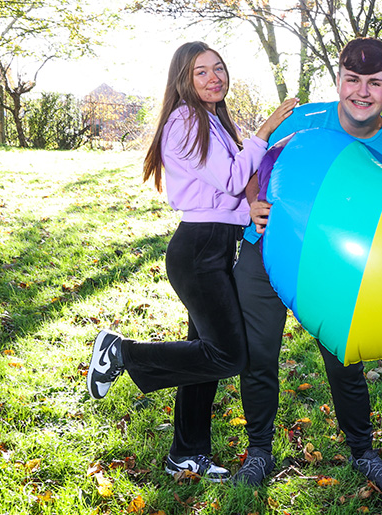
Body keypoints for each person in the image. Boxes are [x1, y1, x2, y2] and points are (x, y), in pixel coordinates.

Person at [84, 41, 297, 482]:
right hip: (198, 252)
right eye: (201, 72)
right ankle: (121, 353)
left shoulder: (213, 120)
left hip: (216, 244)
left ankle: (186, 452)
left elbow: (224, 197)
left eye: (218, 68)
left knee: (202, 357)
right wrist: (265, 130)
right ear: (183, 78)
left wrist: (250, 213)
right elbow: (235, 177)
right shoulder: (184, 121)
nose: (213, 77)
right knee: (227, 355)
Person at [230, 37, 382, 496]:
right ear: (338, 81)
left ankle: (363, 452)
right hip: (264, 251)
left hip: (332, 266)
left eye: (375, 83)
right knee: (258, 355)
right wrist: (252, 201)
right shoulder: (302, 117)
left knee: (344, 361)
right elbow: (254, 161)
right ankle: (259, 452)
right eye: (353, 80)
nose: (361, 92)